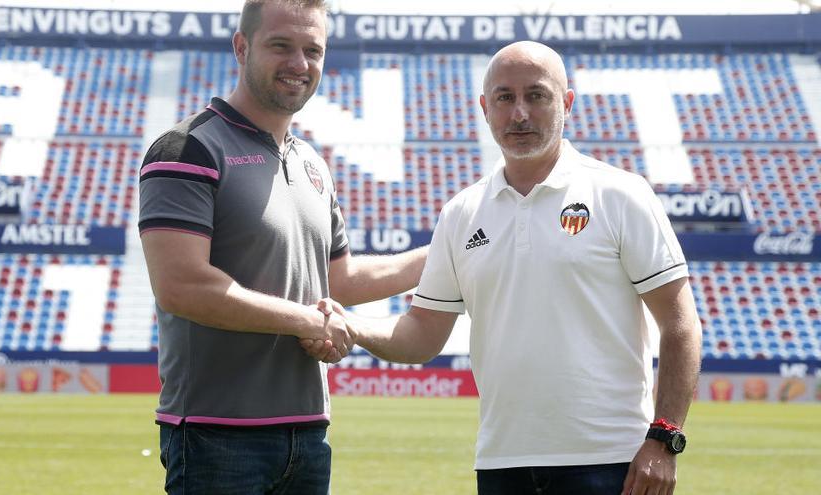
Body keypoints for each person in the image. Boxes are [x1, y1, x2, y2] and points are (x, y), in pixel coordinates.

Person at [308, 41, 702, 495]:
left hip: (611, 461)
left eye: (536, 95)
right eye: (504, 98)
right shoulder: (461, 213)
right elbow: (421, 333)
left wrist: (664, 438)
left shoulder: (621, 195)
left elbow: (681, 325)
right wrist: (353, 328)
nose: (519, 113)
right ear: (484, 107)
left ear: (567, 103)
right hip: (502, 463)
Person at [138, 1, 426, 493]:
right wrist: (310, 322)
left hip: (309, 433)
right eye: (281, 46)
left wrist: (447, 251)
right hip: (216, 436)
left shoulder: (314, 163)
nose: (300, 63)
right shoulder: (187, 148)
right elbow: (182, 287)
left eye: (313, 50)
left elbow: (340, 281)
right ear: (241, 46)